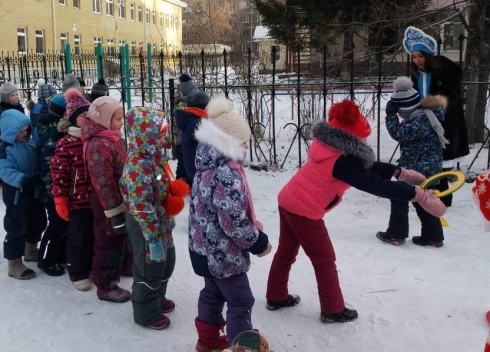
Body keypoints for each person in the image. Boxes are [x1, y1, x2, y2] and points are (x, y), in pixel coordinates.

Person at [265, 99, 446, 324]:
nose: (365, 141)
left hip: (288, 199)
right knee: (324, 259)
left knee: (286, 252)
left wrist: (400, 172)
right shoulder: (342, 162)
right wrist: (417, 194)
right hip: (304, 209)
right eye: (363, 138)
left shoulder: (331, 148)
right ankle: (333, 310)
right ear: (352, 139)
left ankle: (276, 296)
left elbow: (369, 167)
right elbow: (375, 185)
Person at [189, 96, 272, 352]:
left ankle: (208, 342)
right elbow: (233, 221)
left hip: (203, 251)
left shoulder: (205, 167)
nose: (247, 146)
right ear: (227, 143)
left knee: (212, 294)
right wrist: (257, 241)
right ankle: (244, 345)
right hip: (224, 255)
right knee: (240, 299)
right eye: (243, 141)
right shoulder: (226, 174)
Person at [120, 107, 188, 330]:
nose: (162, 140)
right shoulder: (138, 166)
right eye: (158, 136)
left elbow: (159, 186)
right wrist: (152, 236)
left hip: (160, 221)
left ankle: (157, 298)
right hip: (145, 225)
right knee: (149, 269)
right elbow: (141, 206)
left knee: (166, 263)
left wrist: (171, 193)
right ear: (144, 136)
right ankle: (145, 311)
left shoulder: (155, 158)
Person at [376, 77, 448, 248]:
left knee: (399, 196)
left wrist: (391, 115)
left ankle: (396, 234)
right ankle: (433, 236)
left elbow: (399, 134)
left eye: (399, 110)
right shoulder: (426, 114)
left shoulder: (420, 120)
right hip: (426, 165)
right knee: (423, 200)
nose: (400, 114)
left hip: (419, 168)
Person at [403, 26, 470, 207]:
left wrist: (435, 105)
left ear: (428, 56)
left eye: (420, 56)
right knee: (428, 159)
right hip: (425, 121)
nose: (417, 60)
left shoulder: (446, 71)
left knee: (441, 159)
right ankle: (428, 195)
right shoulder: (418, 74)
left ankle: (443, 198)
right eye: (414, 56)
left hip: (445, 122)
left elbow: (452, 97)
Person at [82, 96, 131, 302]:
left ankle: (123, 268)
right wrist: (114, 209)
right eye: (117, 119)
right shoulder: (99, 145)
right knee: (108, 240)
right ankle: (105, 285)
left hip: (120, 198)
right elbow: (102, 181)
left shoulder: (112, 137)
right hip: (107, 203)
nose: (121, 123)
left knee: (121, 237)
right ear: (102, 119)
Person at [50, 89, 93, 291]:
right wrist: (59, 199)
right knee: (78, 237)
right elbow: (59, 174)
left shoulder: (94, 140)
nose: (87, 118)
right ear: (74, 118)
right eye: (83, 115)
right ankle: (77, 272)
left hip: (95, 198)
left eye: (89, 114)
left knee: (94, 234)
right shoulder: (65, 144)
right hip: (76, 200)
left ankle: (91, 265)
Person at [0, 110, 47, 279]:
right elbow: (5, 170)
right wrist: (22, 180)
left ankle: (31, 249)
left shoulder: (30, 144)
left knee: (38, 220)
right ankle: (14, 263)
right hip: (16, 194)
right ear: (9, 131)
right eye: (19, 131)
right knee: (16, 225)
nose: (24, 133)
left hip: (33, 191)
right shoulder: (5, 149)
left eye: (26, 130)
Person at [36, 93, 69, 276]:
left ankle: (58, 256)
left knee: (63, 224)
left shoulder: (54, 127)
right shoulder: (52, 132)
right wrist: (53, 191)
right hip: (52, 189)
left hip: (56, 187)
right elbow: (48, 164)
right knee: (56, 224)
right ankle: (45, 260)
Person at [175, 89, 210, 185]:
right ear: (203, 106)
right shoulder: (197, 123)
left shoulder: (191, 120)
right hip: (198, 172)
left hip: (194, 169)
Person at [172, 73, 200, 183]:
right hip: (181, 140)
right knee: (183, 164)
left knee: (185, 162)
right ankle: (181, 184)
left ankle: (184, 182)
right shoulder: (183, 105)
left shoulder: (181, 102)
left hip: (182, 139)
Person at [28, 79, 57, 145]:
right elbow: (37, 130)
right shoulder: (39, 110)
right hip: (41, 143)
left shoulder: (45, 107)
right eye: (52, 97)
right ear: (46, 98)